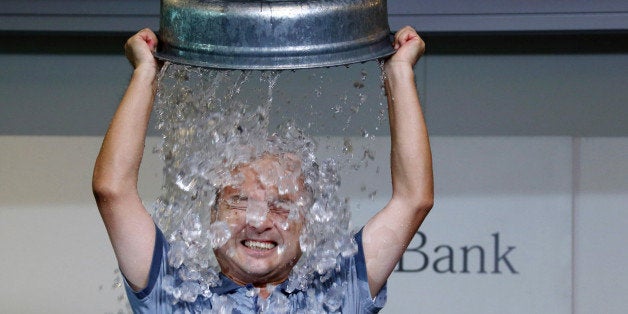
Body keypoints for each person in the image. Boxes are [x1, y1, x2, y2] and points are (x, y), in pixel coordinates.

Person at [93, 25, 433, 313]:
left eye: (281, 205)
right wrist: (145, 73)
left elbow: (412, 199)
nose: (258, 221)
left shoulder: (339, 293)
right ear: (212, 216)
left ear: (309, 225)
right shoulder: (174, 293)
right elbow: (113, 190)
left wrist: (399, 71)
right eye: (238, 202)